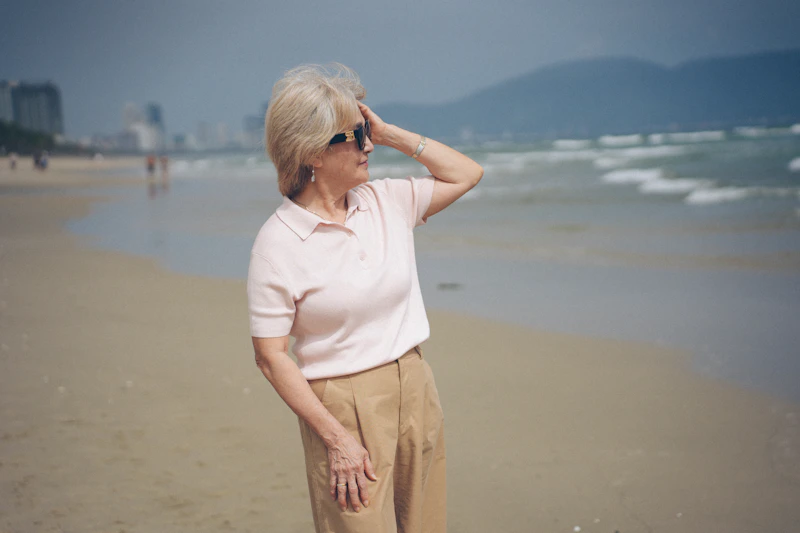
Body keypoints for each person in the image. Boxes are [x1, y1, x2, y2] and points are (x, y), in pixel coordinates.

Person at [247, 64, 483, 533]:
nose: (368, 145)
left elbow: (466, 174)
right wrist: (337, 439)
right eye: (354, 136)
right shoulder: (277, 244)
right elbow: (271, 358)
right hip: (341, 407)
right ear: (312, 151)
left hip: (414, 383)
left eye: (365, 130)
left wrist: (390, 132)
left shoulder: (385, 202)